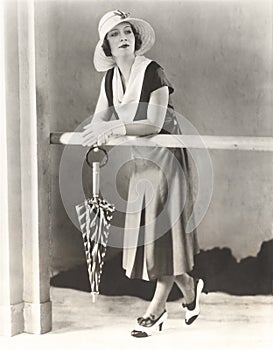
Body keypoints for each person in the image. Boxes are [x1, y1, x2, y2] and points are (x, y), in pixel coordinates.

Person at [82, 9, 204, 337]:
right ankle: (190, 290)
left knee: (162, 235)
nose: (123, 38)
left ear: (135, 40)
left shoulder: (152, 71)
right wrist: (99, 137)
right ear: (106, 47)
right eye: (114, 34)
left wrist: (113, 127)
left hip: (167, 156)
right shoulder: (109, 79)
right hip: (141, 160)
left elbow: (153, 123)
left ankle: (157, 309)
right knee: (153, 237)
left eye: (127, 32)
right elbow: (98, 119)